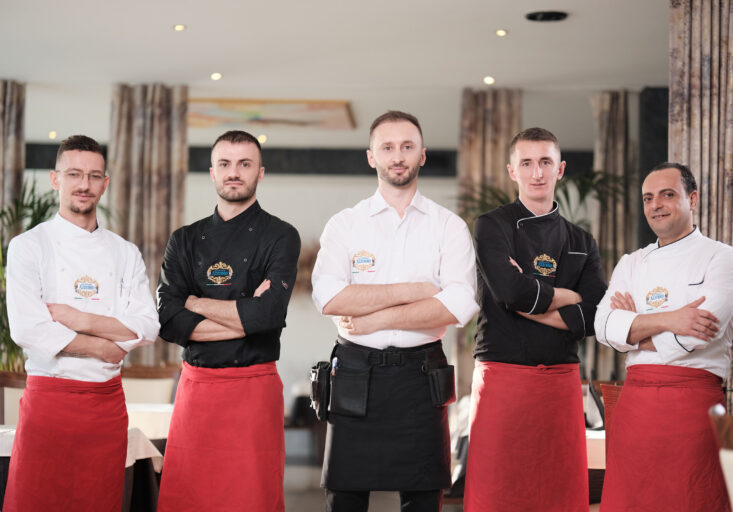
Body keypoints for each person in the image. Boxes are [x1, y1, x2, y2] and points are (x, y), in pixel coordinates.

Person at [312, 110, 479, 512]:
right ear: (372, 157)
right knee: (345, 500)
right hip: (354, 374)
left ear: (423, 154)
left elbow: (460, 304)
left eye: (407, 146)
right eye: (387, 147)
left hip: (421, 378)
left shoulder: (448, 226)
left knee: (423, 501)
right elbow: (329, 298)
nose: (398, 156)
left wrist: (376, 316)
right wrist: (418, 291)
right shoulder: (345, 225)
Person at [3, 134, 159, 512]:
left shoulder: (125, 252)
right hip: (48, 402)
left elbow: (148, 326)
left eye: (93, 176)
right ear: (56, 180)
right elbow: (28, 329)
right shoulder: (29, 246)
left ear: (105, 183)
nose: (84, 184)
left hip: (105, 407)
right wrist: (105, 345)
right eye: (74, 174)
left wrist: (78, 318)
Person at [157, 130, 300, 511]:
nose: (233, 172)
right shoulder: (184, 240)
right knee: (188, 498)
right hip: (197, 388)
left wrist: (194, 302)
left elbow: (269, 315)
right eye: (225, 164)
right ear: (212, 172)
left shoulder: (281, 235)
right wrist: (243, 314)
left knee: (252, 498)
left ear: (260, 172)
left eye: (244, 164)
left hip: (254, 388)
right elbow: (169, 321)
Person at [464, 127, 606, 512]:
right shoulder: (492, 225)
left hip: (560, 383)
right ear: (512, 171)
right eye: (526, 163)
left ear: (560, 169)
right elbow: (509, 292)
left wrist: (528, 297)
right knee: (496, 496)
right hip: (501, 380)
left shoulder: (581, 242)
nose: (537, 172)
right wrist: (568, 296)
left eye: (545, 162)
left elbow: (594, 316)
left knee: (559, 496)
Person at [595, 162, 733, 511]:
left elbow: (697, 336)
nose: (656, 204)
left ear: (692, 199)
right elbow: (603, 327)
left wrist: (635, 327)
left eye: (667, 195)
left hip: (692, 408)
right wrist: (673, 318)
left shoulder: (723, 258)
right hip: (634, 409)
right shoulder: (632, 262)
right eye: (648, 198)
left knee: (692, 499)